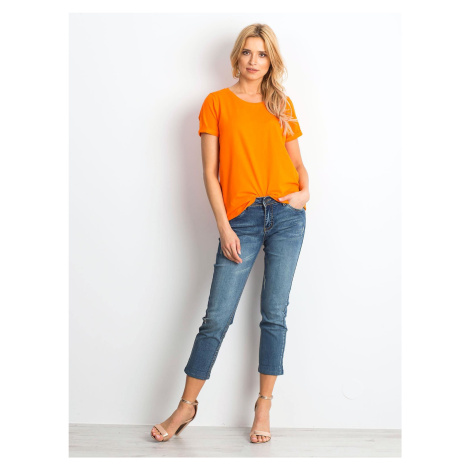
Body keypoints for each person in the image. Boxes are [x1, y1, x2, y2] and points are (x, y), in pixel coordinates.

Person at [151, 23, 309, 444]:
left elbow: (298, 164)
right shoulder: (216, 103)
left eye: (262, 54)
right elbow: (209, 172)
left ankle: (263, 405)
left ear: (271, 61)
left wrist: (304, 193)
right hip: (241, 219)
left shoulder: (281, 104)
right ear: (237, 56)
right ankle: (186, 406)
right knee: (216, 318)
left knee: (274, 314)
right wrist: (224, 226)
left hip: (287, 215)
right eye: (247, 52)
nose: (254, 61)